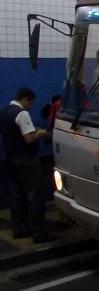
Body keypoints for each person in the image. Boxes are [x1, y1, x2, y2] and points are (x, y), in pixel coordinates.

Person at [0, 87, 53, 243]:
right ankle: (40, 233)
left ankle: (20, 229)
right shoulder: (22, 113)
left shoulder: (4, 112)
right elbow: (29, 139)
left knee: (17, 196)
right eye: (31, 103)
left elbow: (13, 132)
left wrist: (31, 129)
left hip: (11, 159)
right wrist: (41, 133)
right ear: (26, 98)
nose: (30, 106)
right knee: (35, 196)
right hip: (27, 161)